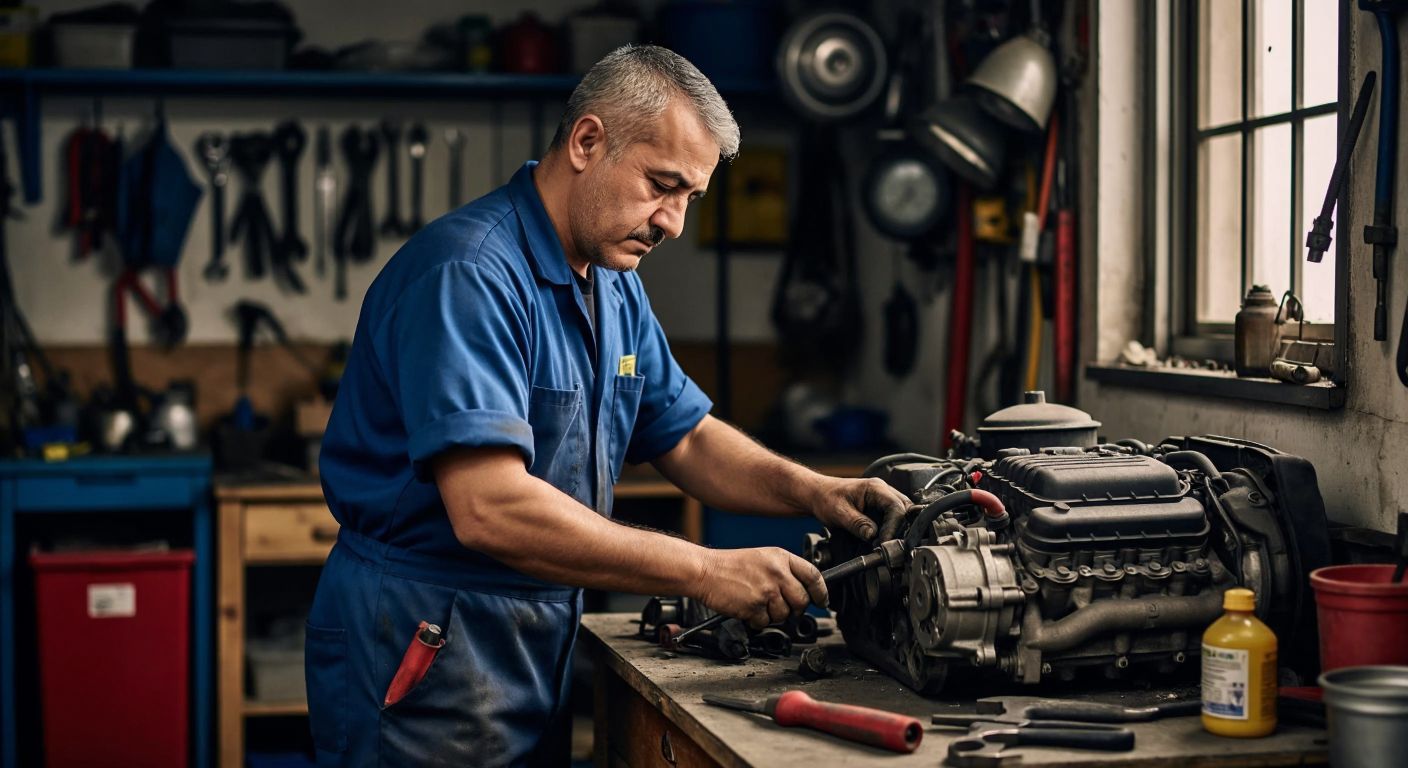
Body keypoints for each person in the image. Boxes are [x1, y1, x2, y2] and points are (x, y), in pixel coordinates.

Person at [307, 45, 908, 766]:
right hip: (424, 635)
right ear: (588, 141)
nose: (674, 223)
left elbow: (683, 435)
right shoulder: (468, 275)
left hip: (531, 635)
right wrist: (704, 569)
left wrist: (818, 492)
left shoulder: (610, 279)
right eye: (663, 185)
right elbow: (489, 507)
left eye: (691, 197)